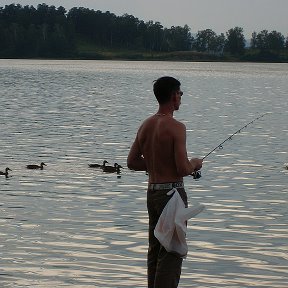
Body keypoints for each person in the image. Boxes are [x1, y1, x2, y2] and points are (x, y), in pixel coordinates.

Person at [127, 76, 203, 288]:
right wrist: (195, 163)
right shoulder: (177, 127)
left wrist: (154, 164)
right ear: (172, 95)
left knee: (155, 249)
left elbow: (132, 162)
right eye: (180, 94)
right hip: (173, 195)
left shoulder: (145, 125)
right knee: (171, 251)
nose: (181, 97)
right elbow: (182, 169)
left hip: (153, 193)